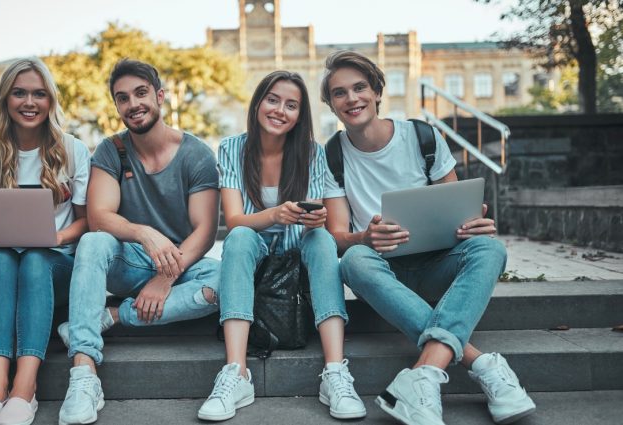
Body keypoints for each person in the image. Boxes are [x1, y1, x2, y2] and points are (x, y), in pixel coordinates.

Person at [321, 50, 536, 425]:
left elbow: (459, 211)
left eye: (359, 88)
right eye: (340, 93)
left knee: (490, 247)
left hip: (439, 264)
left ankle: (423, 374)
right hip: (383, 273)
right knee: (353, 260)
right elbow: (338, 237)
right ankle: (481, 364)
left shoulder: (422, 136)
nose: (352, 99)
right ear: (331, 104)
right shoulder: (332, 154)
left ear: (376, 91)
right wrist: (365, 237)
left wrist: (474, 226)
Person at [57, 58, 221, 425]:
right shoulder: (111, 150)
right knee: (94, 242)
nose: (133, 104)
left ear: (160, 96)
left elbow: (205, 232)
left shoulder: (196, 154)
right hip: (128, 260)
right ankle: (84, 371)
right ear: (117, 106)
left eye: (141, 93)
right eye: (123, 98)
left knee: (225, 282)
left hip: (181, 264)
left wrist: (164, 279)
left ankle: (111, 316)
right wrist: (144, 233)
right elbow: (99, 217)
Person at [197, 71, 366, 422]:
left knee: (321, 239)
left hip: (298, 252)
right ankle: (236, 372)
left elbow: (314, 217)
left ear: (299, 116)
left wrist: (313, 220)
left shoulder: (312, 153)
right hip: (251, 250)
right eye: (272, 99)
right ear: (258, 102)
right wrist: (274, 214)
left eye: (291, 105)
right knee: (241, 237)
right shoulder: (231, 148)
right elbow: (234, 220)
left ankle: (335, 371)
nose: (279, 110)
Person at [0, 58, 91, 425]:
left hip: (56, 267)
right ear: (5, 99)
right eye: (19, 93)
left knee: (35, 257)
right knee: (3, 259)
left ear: (50, 101)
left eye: (39, 94)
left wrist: (54, 236)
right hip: (6, 267)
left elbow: (87, 221)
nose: (29, 102)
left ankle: (25, 388)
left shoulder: (72, 150)